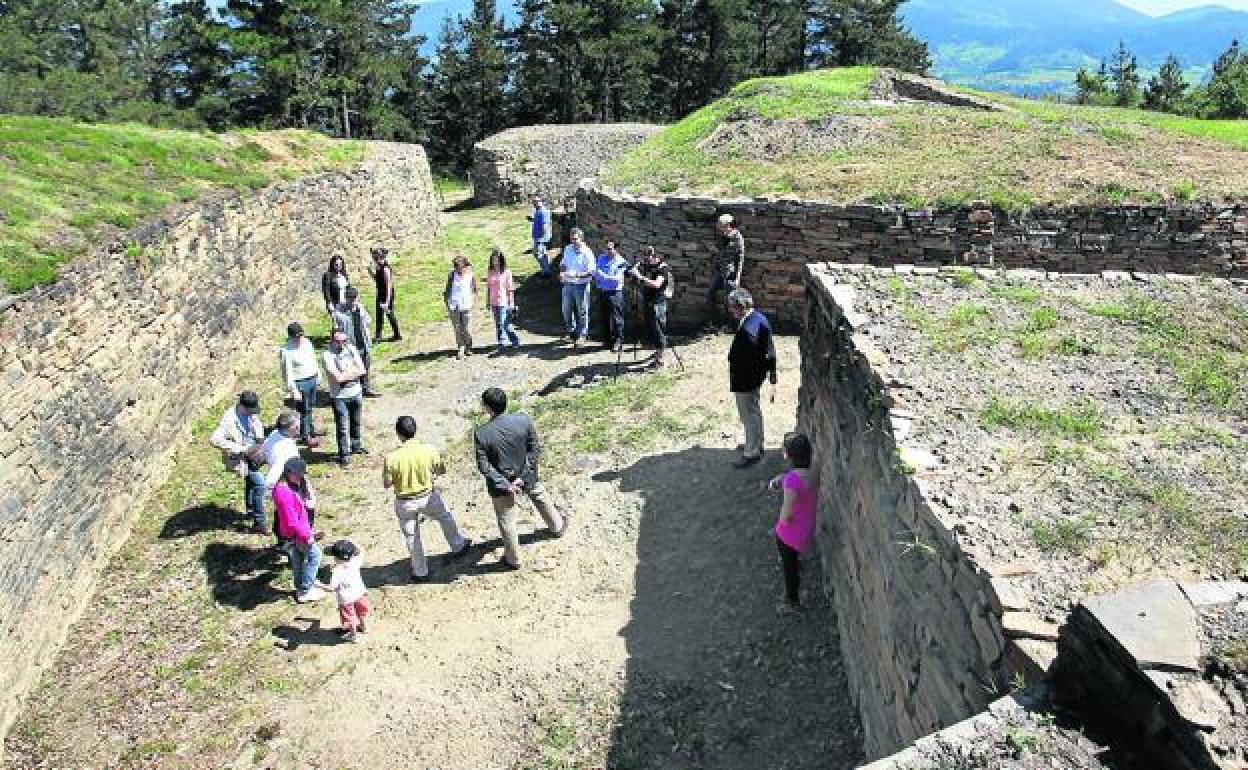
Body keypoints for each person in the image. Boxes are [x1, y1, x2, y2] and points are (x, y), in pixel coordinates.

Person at [473, 388, 568, 570]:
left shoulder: (482, 433)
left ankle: (513, 559)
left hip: (503, 487)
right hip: (527, 476)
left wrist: (506, 484)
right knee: (540, 496)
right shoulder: (523, 420)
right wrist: (523, 477)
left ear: (486, 407)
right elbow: (534, 449)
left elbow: (485, 467)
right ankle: (557, 526)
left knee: (506, 520)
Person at [383, 416, 473, 582]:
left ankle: (420, 571)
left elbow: (387, 483)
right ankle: (458, 545)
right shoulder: (429, 450)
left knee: (412, 536)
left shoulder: (392, 458)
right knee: (445, 517)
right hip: (427, 496)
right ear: (415, 430)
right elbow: (441, 470)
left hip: (405, 501)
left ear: (398, 434)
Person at [726, 288, 776, 469]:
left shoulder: (748, 330)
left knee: (748, 415)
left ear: (741, 306)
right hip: (754, 376)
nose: (731, 311)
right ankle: (756, 443)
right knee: (753, 411)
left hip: (746, 378)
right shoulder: (758, 318)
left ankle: (752, 451)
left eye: (732, 307)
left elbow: (745, 355)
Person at [768, 433, 817, 610]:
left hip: (790, 534)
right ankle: (794, 561)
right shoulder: (814, 472)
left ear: (788, 455)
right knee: (792, 557)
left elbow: (786, 513)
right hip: (807, 527)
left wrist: (779, 525)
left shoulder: (792, 481)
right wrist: (783, 478)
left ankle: (792, 600)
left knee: (789, 569)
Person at [209, 391, 268, 533]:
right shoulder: (228, 420)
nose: (252, 413)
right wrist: (241, 449)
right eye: (249, 411)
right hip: (242, 456)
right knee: (260, 485)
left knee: (250, 481)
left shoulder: (250, 411)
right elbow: (214, 439)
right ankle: (259, 522)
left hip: (253, 451)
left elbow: (256, 422)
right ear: (241, 406)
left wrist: (259, 439)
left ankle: (250, 509)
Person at [273, 457, 324, 603]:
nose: (301, 477)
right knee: (316, 556)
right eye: (298, 474)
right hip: (297, 534)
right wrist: (307, 535)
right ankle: (306, 590)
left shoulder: (284, 487)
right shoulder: (284, 493)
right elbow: (291, 521)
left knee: (298, 560)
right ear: (289, 473)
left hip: (290, 534)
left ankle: (300, 587)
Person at [323, 328, 368, 467]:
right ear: (332, 341)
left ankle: (356, 445)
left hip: (356, 392)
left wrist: (348, 374)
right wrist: (352, 372)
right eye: (338, 341)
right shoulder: (327, 355)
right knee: (342, 427)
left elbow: (363, 370)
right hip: (339, 396)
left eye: (344, 341)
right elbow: (338, 378)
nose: (341, 344)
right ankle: (344, 454)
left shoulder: (351, 349)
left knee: (356, 422)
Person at [315, 540, 371, 642]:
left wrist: (318, 584)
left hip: (346, 600)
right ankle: (364, 627)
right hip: (360, 594)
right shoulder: (356, 561)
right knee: (360, 613)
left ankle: (353, 636)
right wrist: (353, 542)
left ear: (335, 558)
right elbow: (362, 550)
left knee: (350, 618)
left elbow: (332, 588)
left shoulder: (337, 572)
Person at [630, 246, 673, 370]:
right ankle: (658, 353)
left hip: (657, 304)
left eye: (650, 256)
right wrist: (634, 271)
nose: (647, 259)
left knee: (658, 331)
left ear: (657, 257)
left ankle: (660, 360)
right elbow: (632, 273)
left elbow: (656, 284)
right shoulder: (649, 266)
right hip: (648, 302)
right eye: (646, 256)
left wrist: (640, 277)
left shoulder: (663, 269)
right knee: (652, 331)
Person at [332, 286, 380, 398]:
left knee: (365, 367)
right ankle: (351, 391)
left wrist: (361, 312)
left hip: (363, 343)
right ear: (346, 298)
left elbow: (369, 321)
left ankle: (366, 388)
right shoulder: (339, 313)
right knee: (351, 368)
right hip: (350, 346)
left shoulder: (361, 309)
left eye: (354, 298)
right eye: (350, 298)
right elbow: (336, 329)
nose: (352, 300)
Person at [279, 322, 320, 448]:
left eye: (301, 335)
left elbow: (313, 359)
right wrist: (294, 390)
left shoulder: (307, 343)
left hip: (312, 379)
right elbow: (287, 373)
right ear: (291, 337)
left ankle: (310, 430)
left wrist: (318, 375)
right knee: (304, 410)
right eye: (297, 336)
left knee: (310, 407)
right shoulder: (286, 351)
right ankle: (305, 436)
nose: (300, 338)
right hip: (300, 383)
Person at [709, 214, 746, 329]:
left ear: (729, 225)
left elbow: (740, 259)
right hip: (720, 271)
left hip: (730, 273)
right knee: (711, 295)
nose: (720, 229)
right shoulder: (721, 236)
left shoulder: (737, 238)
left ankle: (732, 324)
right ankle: (716, 321)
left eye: (723, 226)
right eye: (720, 227)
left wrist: (738, 277)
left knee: (730, 300)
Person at [559, 228, 594, 347]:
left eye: (575, 239)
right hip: (567, 284)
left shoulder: (587, 252)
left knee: (582, 311)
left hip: (581, 285)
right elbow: (563, 263)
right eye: (572, 239)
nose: (573, 241)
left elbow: (591, 272)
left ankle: (583, 334)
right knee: (566, 310)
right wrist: (562, 272)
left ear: (581, 239)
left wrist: (577, 275)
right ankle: (572, 331)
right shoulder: (568, 249)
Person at [594, 240, 628, 352]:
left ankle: (618, 341)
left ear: (616, 250)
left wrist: (603, 276)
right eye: (607, 248)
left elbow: (617, 279)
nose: (607, 251)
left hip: (615, 293)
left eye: (610, 249)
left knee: (617, 318)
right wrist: (603, 278)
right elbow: (596, 272)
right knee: (604, 317)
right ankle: (607, 341)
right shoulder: (601, 258)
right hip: (603, 291)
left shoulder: (622, 262)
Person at [443, 255, 478, 359]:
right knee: (457, 328)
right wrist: (447, 303)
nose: (458, 269)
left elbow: (475, 290)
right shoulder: (451, 275)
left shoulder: (470, 275)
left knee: (466, 328)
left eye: (459, 266)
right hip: (454, 305)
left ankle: (469, 345)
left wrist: (473, 302)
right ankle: (461, 347)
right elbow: (447, 290)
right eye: (456, 267)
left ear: (465, 266)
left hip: (466, 305)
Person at [487, 248, 521, 352]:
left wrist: (512, 303)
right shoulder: (490, 271)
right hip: (493, 301)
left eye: (496, 259)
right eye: (493, 259)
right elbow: (488, 287)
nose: (495, 262)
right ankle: (501, 342)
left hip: (503, 301)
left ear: (501, 260)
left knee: (504, 323)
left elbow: (510, 289)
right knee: (498, 323)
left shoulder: (506, 272)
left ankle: (512, 340)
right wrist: (487, 301)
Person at [262, 412, 302, 491]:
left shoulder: (275, 433)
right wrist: (269, 487)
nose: (299, 428)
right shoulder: (286, 448)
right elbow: (276, 469)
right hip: (287, 484)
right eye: (296, 426)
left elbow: (264, 449)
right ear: (289, 428)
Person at [371, 247, 401, 342]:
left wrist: (387, 302)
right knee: (379, 315)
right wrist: (371, 274)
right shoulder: (379, 267)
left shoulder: (385, 269)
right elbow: (378, 281)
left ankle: (397, 334)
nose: (375, 260)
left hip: (386, 294)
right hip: (380, 293)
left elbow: (388, 286)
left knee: (389, 313)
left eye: (376, 257)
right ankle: (378, 336)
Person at [529, 197, 552, 277]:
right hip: (537, 236)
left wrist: (541, 239)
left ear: (542, 201)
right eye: (534, 202)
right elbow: (539, 221)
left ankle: (546, 271)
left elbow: (545, 225)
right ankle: (547, 269)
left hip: (541, 237)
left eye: (537, 201)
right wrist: (532, 219)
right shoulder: (537, 211)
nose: (535, 203)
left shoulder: (543, 212)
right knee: (543, 253)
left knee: (538, 254)